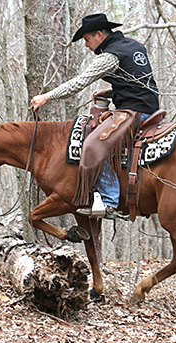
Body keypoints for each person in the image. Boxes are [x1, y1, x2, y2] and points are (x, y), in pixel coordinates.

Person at [31, 13, 159, 218]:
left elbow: (79, 82)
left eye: (87, 39)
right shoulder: (134, 46)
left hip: (134, 112)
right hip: (148, 107)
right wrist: (111, 93)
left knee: (93, 144)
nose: (86, 45)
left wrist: (47, 96)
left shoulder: (110, 56)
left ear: (99, 34)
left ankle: (109, 202)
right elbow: (137, 83)